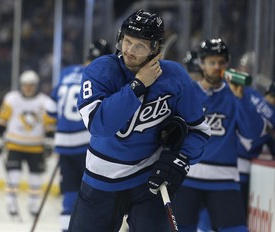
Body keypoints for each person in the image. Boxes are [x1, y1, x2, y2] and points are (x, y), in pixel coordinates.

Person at [68, 9, 210, 232]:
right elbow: (100, 126)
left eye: (140, 45)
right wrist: (138, 86)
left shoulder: (175, 76)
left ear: (156, 50)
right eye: (127, 41)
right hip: (100, 180)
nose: (129, 51)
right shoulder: (101, 70)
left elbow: (199, 130)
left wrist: (180, 159)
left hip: (149, 182)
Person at [173, 38, 248, 232]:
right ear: (202, 64)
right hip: (187, 175)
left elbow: (251, 133)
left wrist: (242, 99)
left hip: (224, 178)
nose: (217, 67)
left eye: (221, 62)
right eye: (211, 62)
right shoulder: (187, 92)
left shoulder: (236, 94)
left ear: (228, 63)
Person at [45, 39, 112, 231]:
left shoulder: (66, 73)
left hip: (63, 143)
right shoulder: (101, 75)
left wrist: (51, 136)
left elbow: (50, 110)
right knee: (94, 192)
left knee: (69, 191)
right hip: (86, 144)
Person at [0, 70, 55, 217]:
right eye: (25, 85)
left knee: (35, 180)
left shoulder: (44, 102)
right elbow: (2, 120)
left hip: (36, 147)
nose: (28, 88)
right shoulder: (12, 99)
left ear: (36, 85)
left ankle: (33, 207)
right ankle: (11, 205)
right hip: (15, 145)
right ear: (21, 85)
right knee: (13, 177)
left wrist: (49, 141)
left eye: (31, 85)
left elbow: (49, 125)